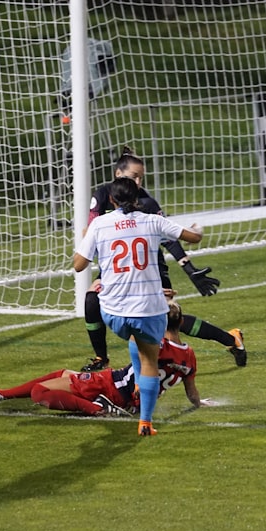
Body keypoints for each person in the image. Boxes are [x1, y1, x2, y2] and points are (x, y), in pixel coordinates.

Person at [79, 146, 247, 373]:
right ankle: (102, 358)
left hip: (150, 270)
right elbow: (90, 232)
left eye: (141, 177)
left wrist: (189, 269)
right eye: (134, 176)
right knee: (91, 301)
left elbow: (169, 238)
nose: (138, 182)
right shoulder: (102, 197)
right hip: (117, 270)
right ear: (119, 175)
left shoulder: (147, 203)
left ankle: (230, 339)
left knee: (171, 322)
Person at [73, 176, 202, 436]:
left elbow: (78, 265)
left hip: (112, 312)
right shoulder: (152, 220)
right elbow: (193, 237)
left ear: (111, 199)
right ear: (138, 197)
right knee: (149, 359)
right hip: (147, 311)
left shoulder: (100, 223)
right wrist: (198, 229)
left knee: (134, 337)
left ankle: (135, 384)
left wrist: (87, 240)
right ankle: (145, 422)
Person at [0, 301, 209, 416]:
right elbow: (192, 393)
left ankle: (98, 408)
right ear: (182, 323)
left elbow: (133, 337)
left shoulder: (157, 344)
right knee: (63, 374)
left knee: (39, 393)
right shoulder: (189, 356)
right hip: (133, 400)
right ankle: (0, 394)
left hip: (115, 387)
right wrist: (201, 404)